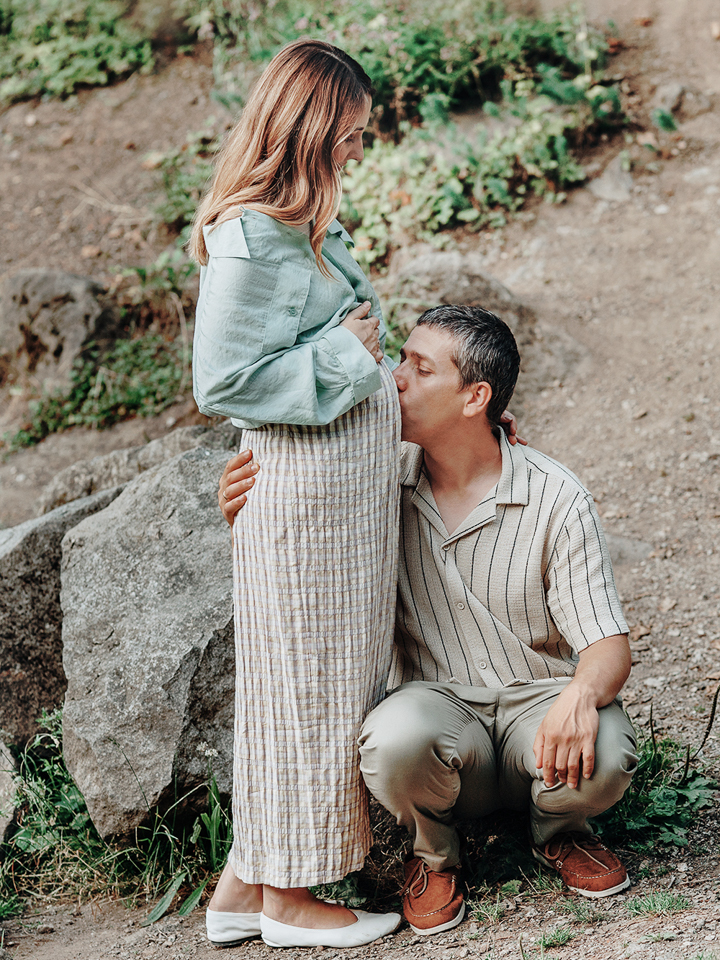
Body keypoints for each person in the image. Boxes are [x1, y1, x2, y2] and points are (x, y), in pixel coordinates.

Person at [219, 305, 637, 936]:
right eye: (398, 359)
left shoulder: (557, 495)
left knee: (606, 747)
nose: (392, 378)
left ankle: (560, 831)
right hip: (440, 719)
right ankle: (434, 854)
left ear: (477, 397)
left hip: (538, 721)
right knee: (393, 738)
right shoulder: (375, 484)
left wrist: (580, 694)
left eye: (418, 368)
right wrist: (255, 514)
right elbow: (302, 560)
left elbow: (608, 643)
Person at [190, 38, 402, 949]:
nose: (358, 148)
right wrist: (348, 353)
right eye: (349, 134)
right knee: (310, 697)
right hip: (308, 510)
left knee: (306, 690)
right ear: (309, 130)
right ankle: (291, 901)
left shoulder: (299, 223)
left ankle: (242, 889)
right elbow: (224, 381)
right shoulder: (250, 238)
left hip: (339, 507)